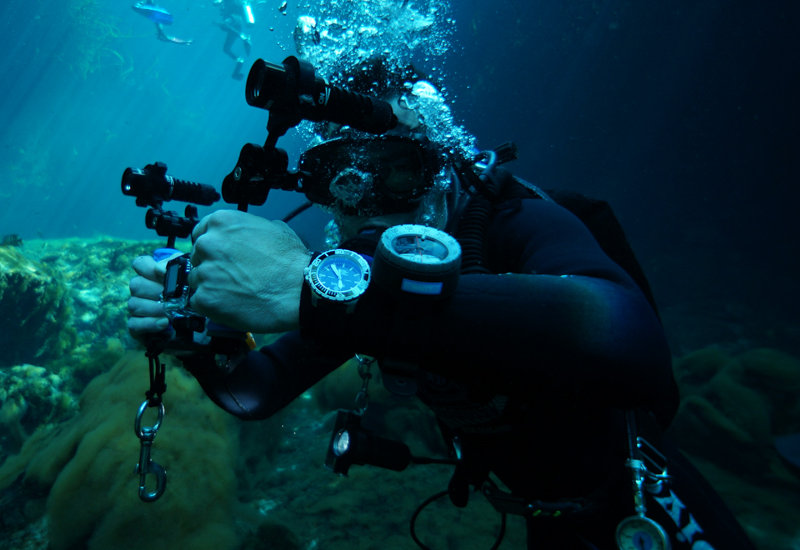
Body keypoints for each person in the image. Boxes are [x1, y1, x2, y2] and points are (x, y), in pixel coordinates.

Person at [127, 58, 757, 549]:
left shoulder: (513, 221)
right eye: (342, 180)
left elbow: (627, 337)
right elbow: (257, 390)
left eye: (398, 172)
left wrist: (317, 287)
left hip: (641, 497)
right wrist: (199, 342)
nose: (373, 207)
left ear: (444, 166)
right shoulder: (357, 281)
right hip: (536, 512)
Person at [213, 0, 253, 80]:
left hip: (231, 19)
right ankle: (238, 61)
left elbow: (217, 2)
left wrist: (217, 3)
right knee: (225, 49)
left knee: (223, 25)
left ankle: (243, 37)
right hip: (235, 25)